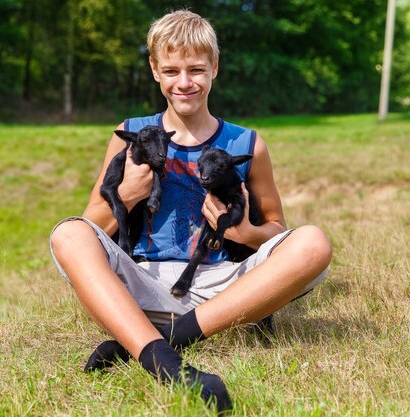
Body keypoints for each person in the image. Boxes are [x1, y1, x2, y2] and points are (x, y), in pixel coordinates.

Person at [50, 10, 332, 414]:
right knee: (67, 234)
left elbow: (277, 231)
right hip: (141, 283)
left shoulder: (248, 143)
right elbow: (90, 226)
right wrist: (127, 196)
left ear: (215, 68)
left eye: (197, 70)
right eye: (172, 70)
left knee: (313, 243)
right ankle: (166, 363)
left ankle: (163, 339)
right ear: (154, 71)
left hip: (227, 288)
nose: (185, 82)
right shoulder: (129, 132)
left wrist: (246, 235)